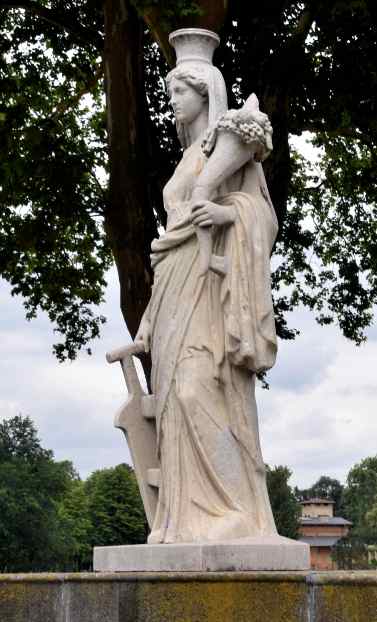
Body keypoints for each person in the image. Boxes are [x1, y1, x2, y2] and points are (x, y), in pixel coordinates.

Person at [135, 33, 279, 544]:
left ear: (204, 92)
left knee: (201, 387)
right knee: (174, 395)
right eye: (169, 91)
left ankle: (235, 511)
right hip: (174, 284)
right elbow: (171, 240)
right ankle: (183, 520)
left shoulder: (229, 150)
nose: (171, 100)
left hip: (211, 285)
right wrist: (149, 318)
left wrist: (225, 212)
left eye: (179, 91)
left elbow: (263, 217)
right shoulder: (185, 159)